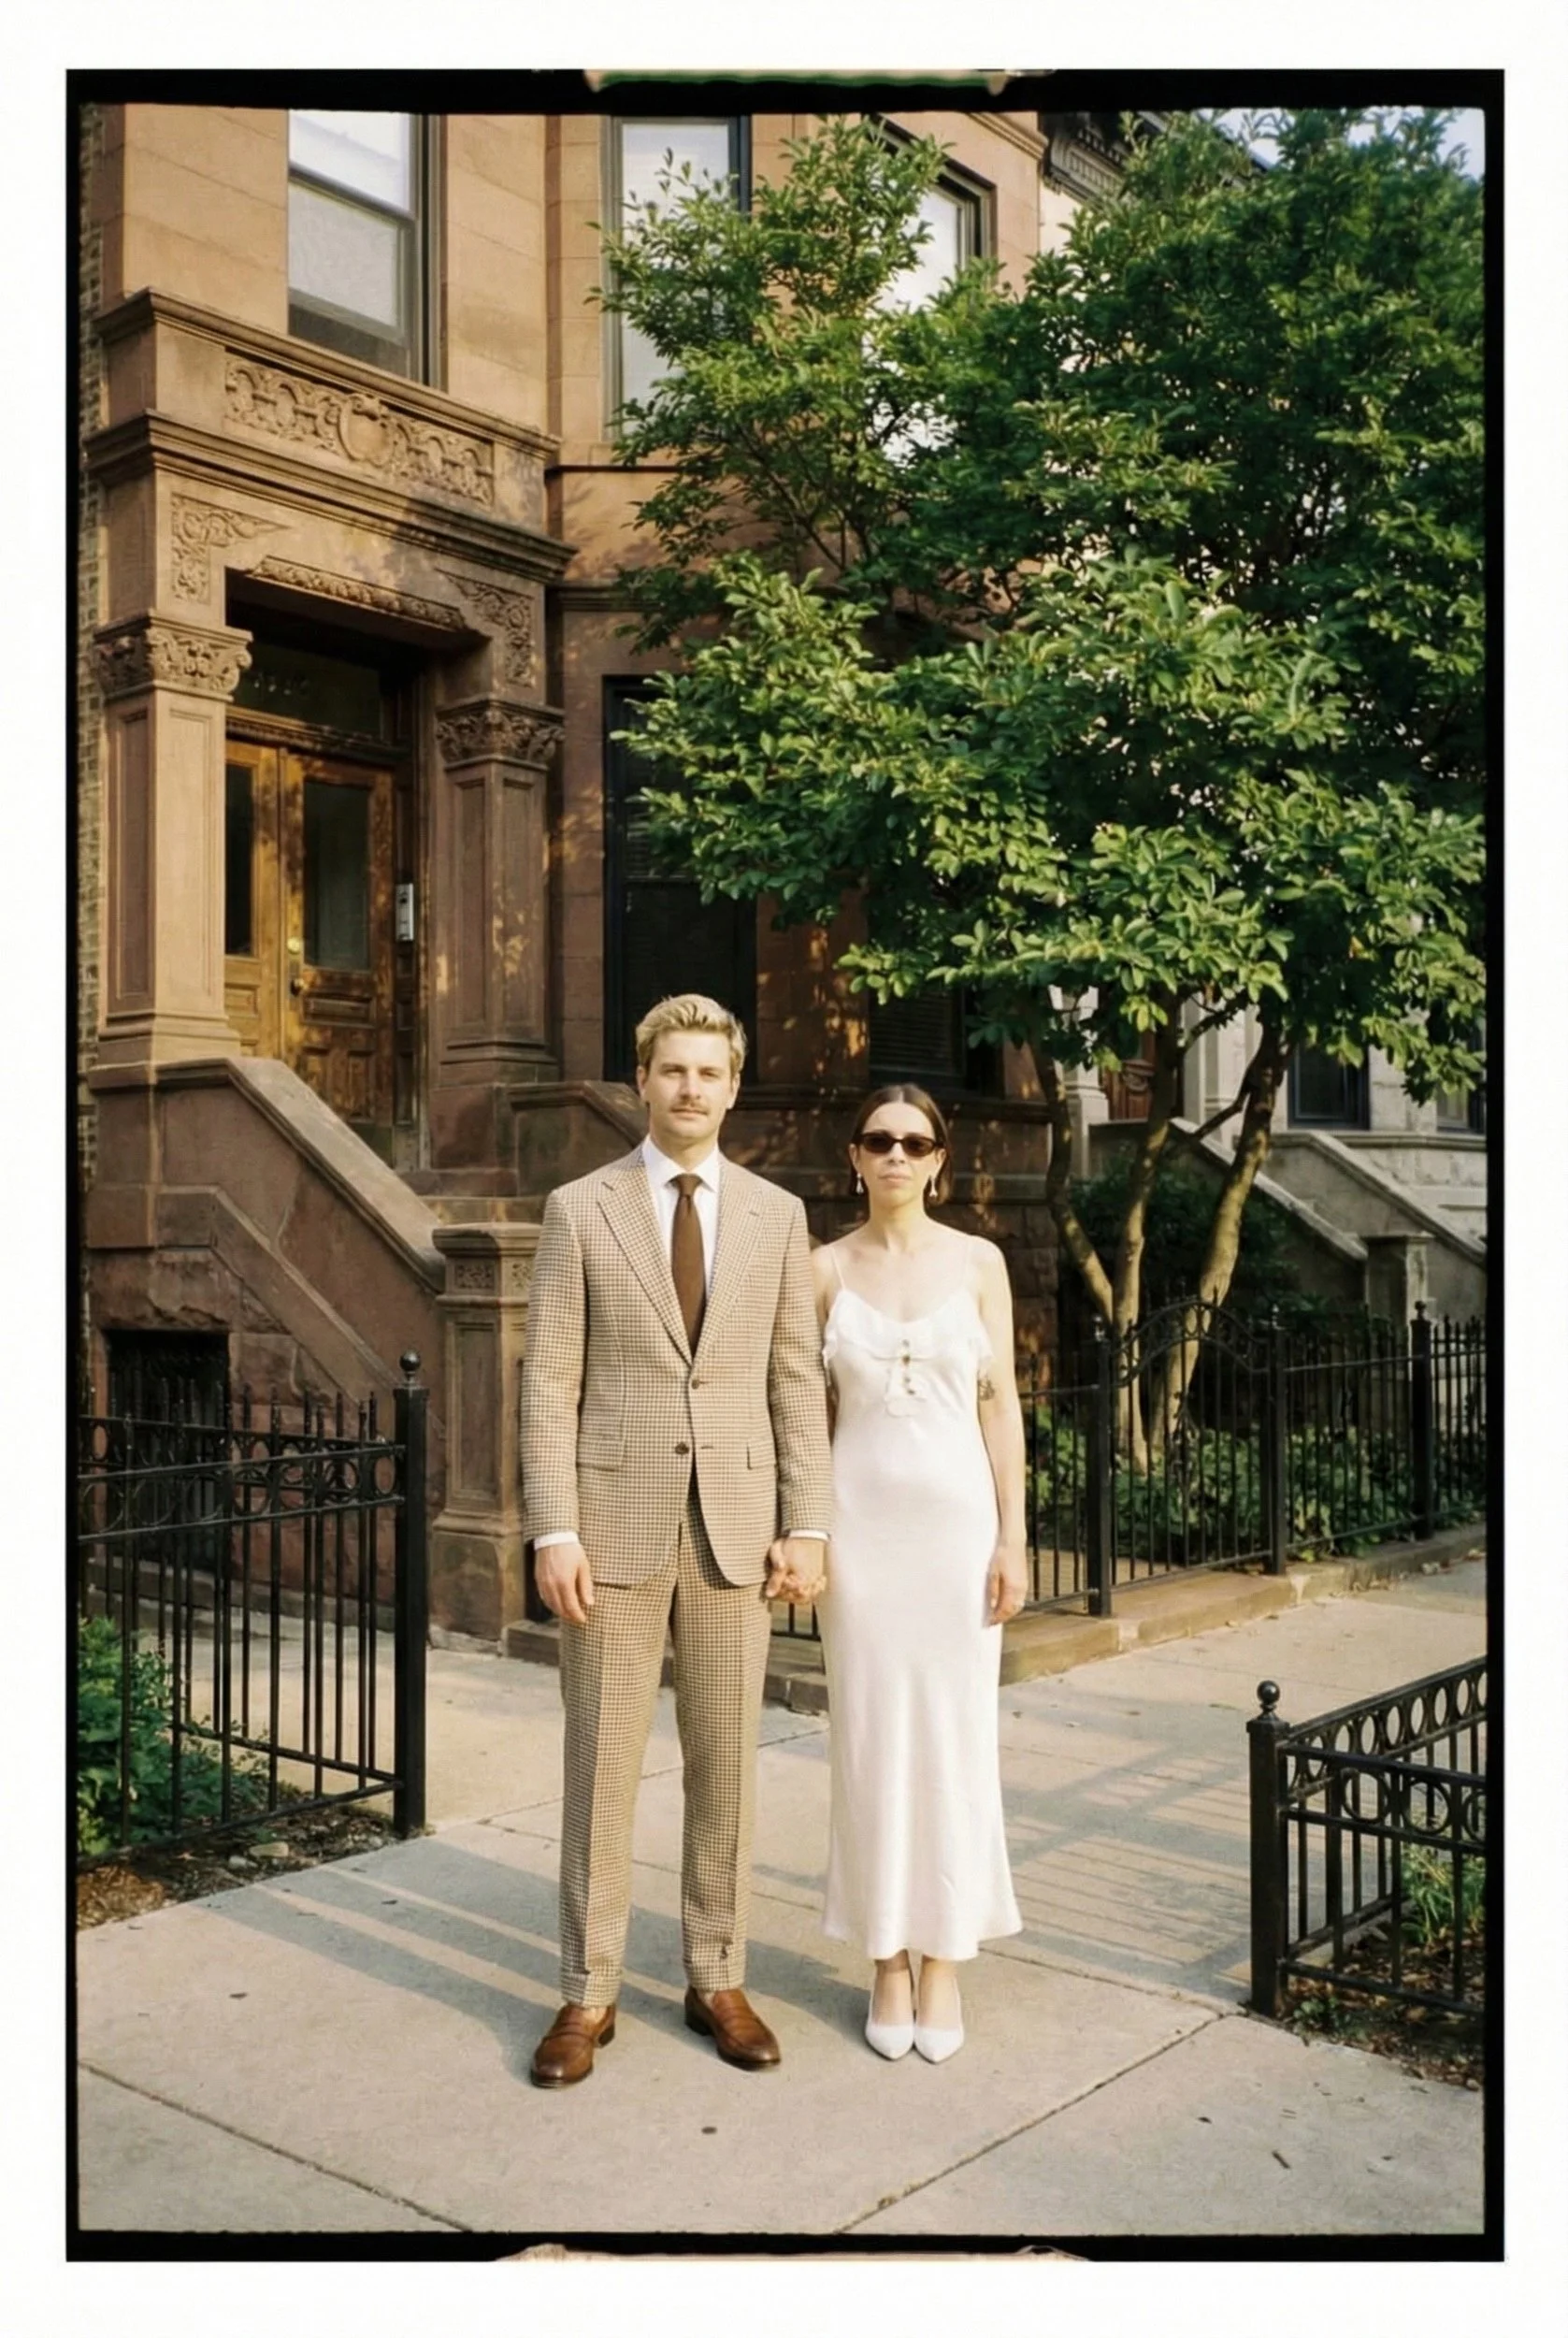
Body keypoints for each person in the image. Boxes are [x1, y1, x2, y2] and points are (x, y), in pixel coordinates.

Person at [521, 993, 833, 2087]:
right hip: (608, 1532)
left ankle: (716, 1971)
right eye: (672, 1071)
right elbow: (550, 1378)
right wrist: (552, 1527)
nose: (691, 1089)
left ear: (733, 1087)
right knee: (602, 1766)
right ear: (641, 1081)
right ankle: (588, 1990)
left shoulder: (775, 1215)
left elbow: (795, 1379)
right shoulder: (581, 1209)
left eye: (710, 1072)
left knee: (727, 1767)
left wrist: (808, 1521)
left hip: (737, 1534)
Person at [811, 1084, 1027, 2062]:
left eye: (915, 1141)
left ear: (941, 1158)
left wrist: (1013, 1537)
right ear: (854, 1157)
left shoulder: (980, 1262)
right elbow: (802, 1421)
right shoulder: (820, 1270)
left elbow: (1000, 1404)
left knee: (953, 1741)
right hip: (860, 1539)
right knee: (867, 1744)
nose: (896, 1155)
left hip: (954, 1538)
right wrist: (803, 1532)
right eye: (878, 1140)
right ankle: (885, 1956)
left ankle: (944, 1953)